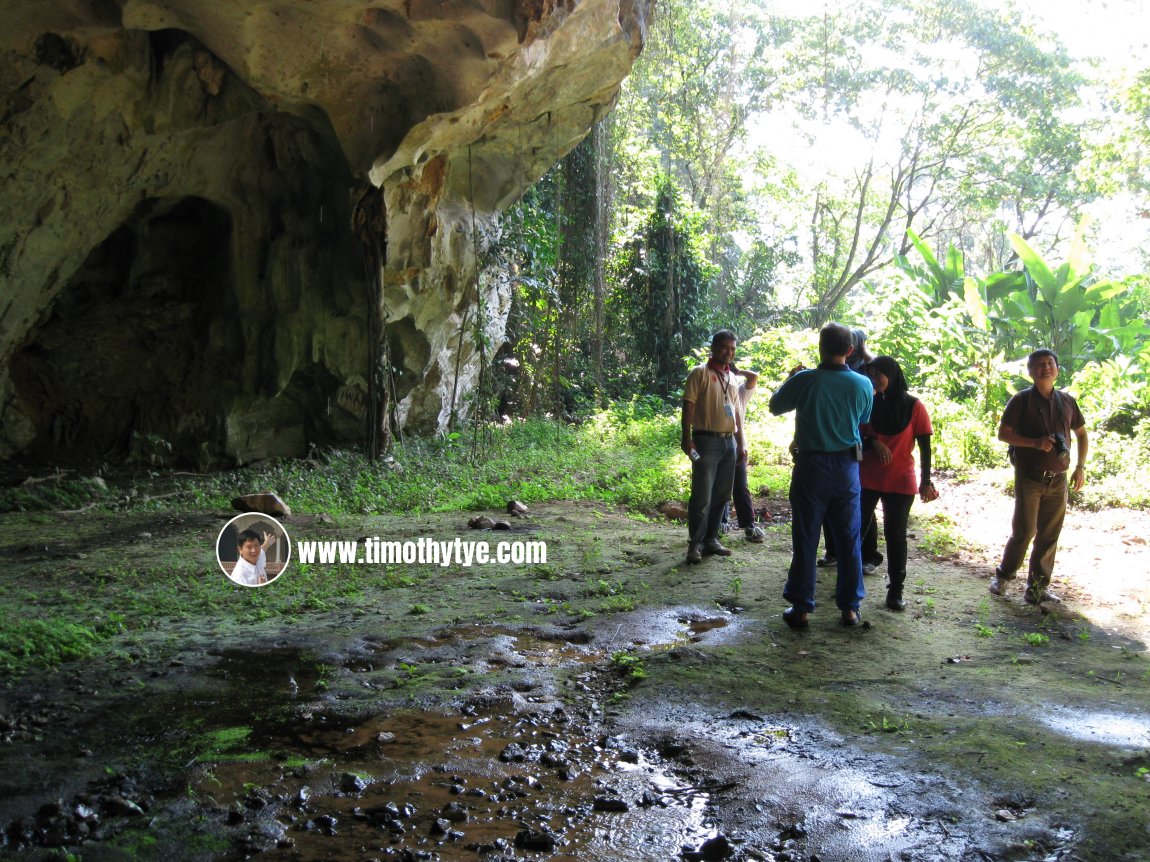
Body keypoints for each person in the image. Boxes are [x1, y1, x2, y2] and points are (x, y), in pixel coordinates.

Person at [769, 322, 873, 627]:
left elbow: (775, 406)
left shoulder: (805, 380)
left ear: (820, 347)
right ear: (850, 351)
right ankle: (850, 608)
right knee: (849, 539)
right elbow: (863, 418)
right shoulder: (863, 384)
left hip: (811, 467)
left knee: (806, 537)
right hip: (847, 469)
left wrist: (790, 379)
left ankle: (801, 607)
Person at [989, 348, 1088, 605]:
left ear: (1056, 369)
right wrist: (1034, 443)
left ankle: (1037, 589)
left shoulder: (1067, 401)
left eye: (1050, 363)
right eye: (1040, 364)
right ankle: (1004, 576)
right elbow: (1004, 434)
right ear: (1030, 372)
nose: (1046, 367)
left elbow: (1081, 433)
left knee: (1049, 534)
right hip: (1029, 476)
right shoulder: (1020, 401)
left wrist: (1080, 466)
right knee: (1024, 530)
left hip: (1059, 478)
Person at [859, 356, 937, 611]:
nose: (873, 380)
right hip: (867, 476)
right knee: (855, 529)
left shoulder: (914, 406)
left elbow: (925, 446)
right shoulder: (867, 402)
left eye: (878, 374)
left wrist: (926, 481)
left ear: (891, 374)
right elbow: (855, 436)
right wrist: (874, 443)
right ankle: (849, 582)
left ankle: (896, 590)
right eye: (870, 375)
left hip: (900, 479)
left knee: (895, 534)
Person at [816, 327, 878, 571]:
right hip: (843, 445)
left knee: (862, 503)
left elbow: (885, 369)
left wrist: (865, 351)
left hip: (860, 444)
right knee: (833, 502)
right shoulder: (835, 369)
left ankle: (868, 555)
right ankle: (833, 551)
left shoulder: (866, 371)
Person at [681, 330, 745, 564]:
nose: (729, 353)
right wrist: (686, 437)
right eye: (725, 348)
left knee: (722, 494)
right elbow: (688, 405)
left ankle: (711, 539)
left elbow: (737, 413)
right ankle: (695, 544)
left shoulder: (732, 378)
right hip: (706, 440)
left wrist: (740, 442)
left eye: (733, 349)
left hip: (729, 441)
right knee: (702, 495)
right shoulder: (700, 373)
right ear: (714, 348)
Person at [721, 362, 766, 543]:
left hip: (737, 443)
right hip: (718, 441)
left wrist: (737, 371)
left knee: (740, 485)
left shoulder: (740, 391)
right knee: (720, 485)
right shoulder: (715, 387)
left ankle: (748, 525)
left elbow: (753, 377)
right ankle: (721, 523)